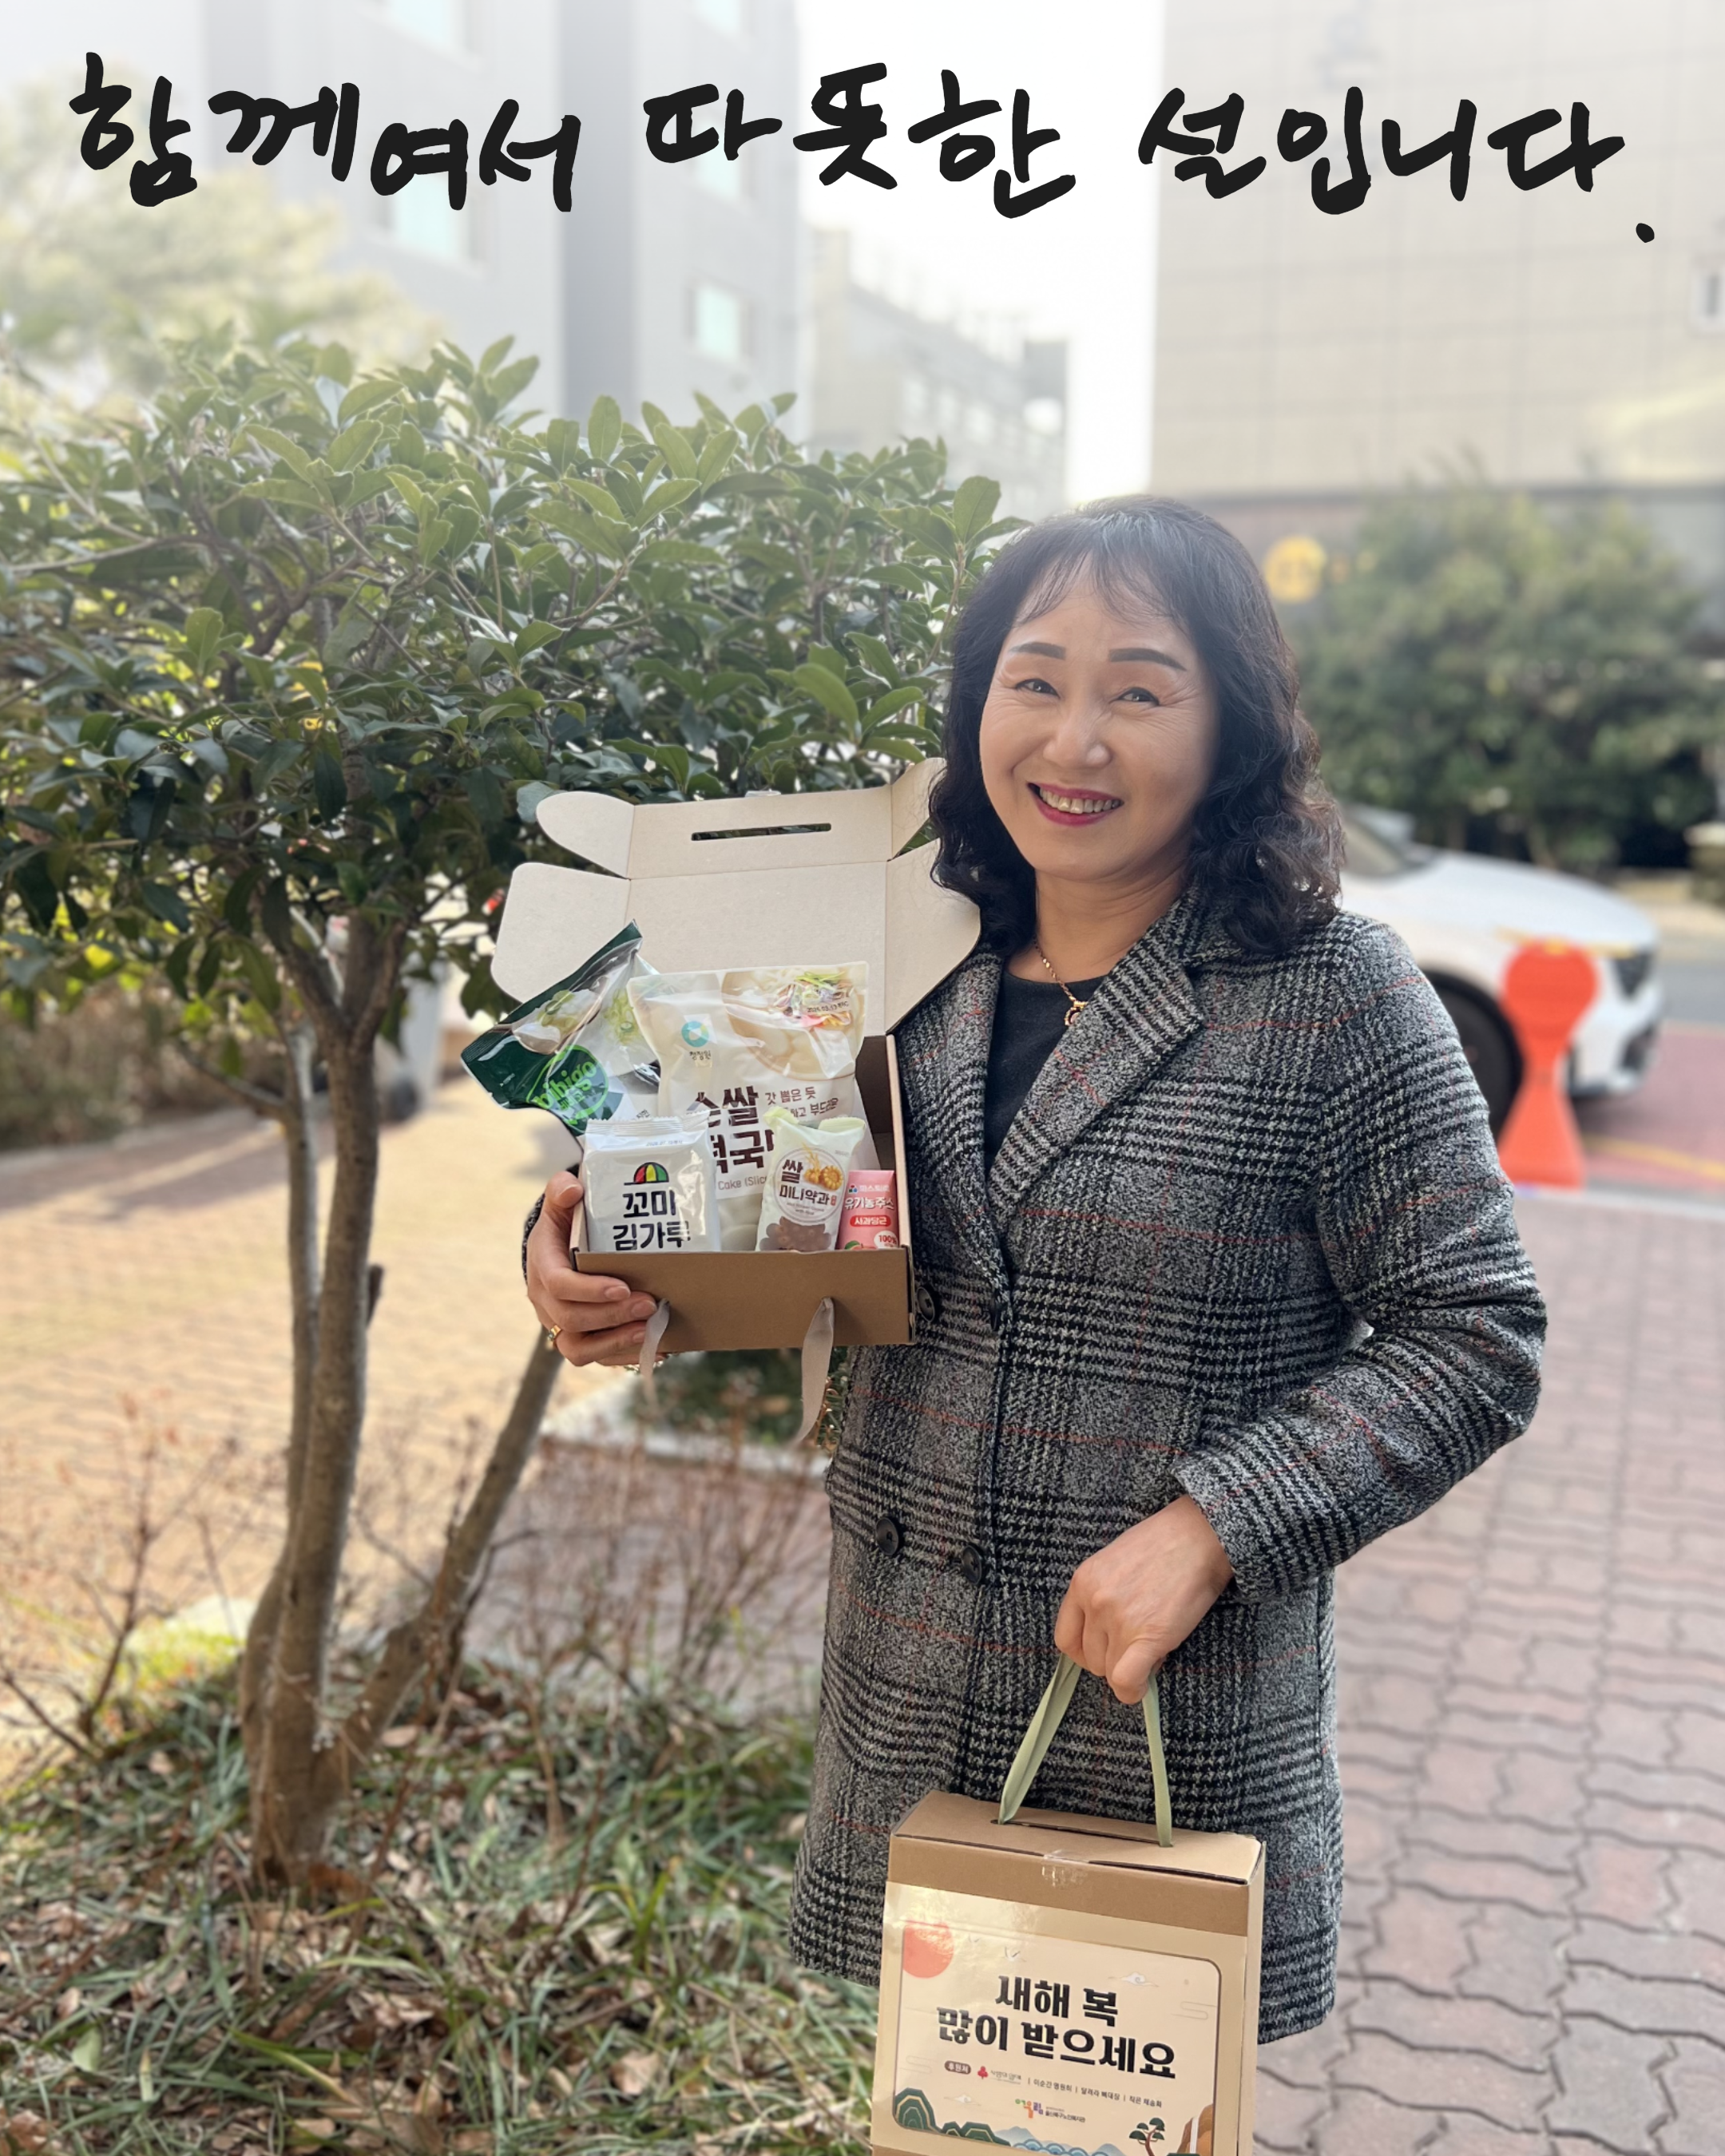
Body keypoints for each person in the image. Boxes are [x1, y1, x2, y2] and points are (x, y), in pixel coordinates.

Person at [522, 496, 1546, 2044]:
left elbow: (1476, 1332)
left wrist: (1216, 1524)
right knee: (937, 2110)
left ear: (1231, 726)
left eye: (1139, 688)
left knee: (1124, 2113)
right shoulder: (900, 963)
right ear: (977, 707)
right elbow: (751, 1201)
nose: (1076, 739)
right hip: (907, 1691)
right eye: (1036, 678)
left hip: (1165, 1711)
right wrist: (592, 1264)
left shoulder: (1336, 997)